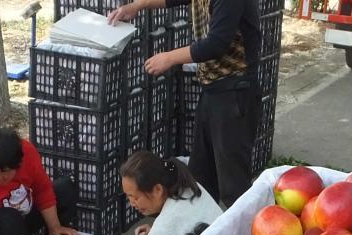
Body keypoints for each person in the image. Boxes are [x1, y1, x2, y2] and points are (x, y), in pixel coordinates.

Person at [109, 0, 261, 206]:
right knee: (202, 178)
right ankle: (205, 233)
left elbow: (216, 43)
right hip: (213, 90)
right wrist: (138, 5)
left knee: (233, 186)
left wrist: (170, 57)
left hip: (234, 93)